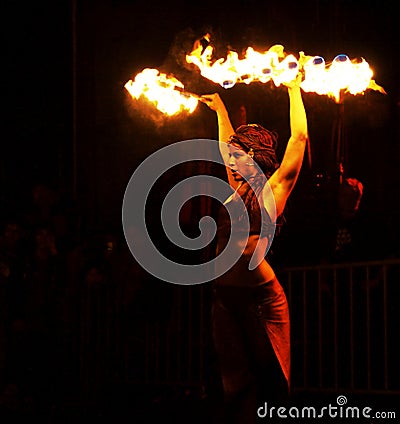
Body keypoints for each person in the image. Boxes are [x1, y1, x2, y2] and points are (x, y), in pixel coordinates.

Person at [200, 74, 308, 423]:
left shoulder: (274, 188)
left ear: (250, 153)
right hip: (225, 297)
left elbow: (299, 138)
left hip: (261, 298)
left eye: (235, 151)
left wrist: (293, 88)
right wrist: (220, 109)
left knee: (271, 378)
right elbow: (222, 146)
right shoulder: (234, 186)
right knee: (235, 386)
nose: (228, 157)